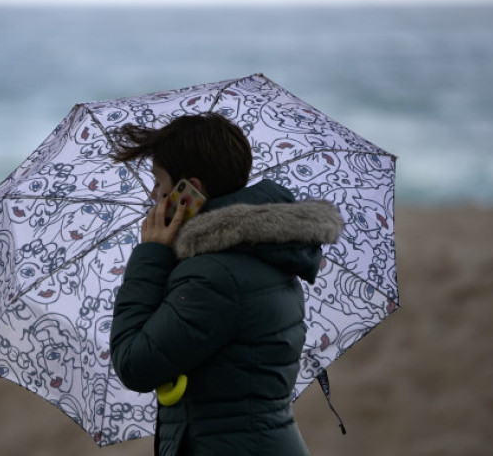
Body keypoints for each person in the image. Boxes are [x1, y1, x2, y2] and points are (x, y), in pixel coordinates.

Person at [108, 113, 344, 456]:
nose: (154, 196)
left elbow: (134, 363)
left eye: (159, 184)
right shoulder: (259, 250)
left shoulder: (213, 275)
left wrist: (150, 255)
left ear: (189, 191)